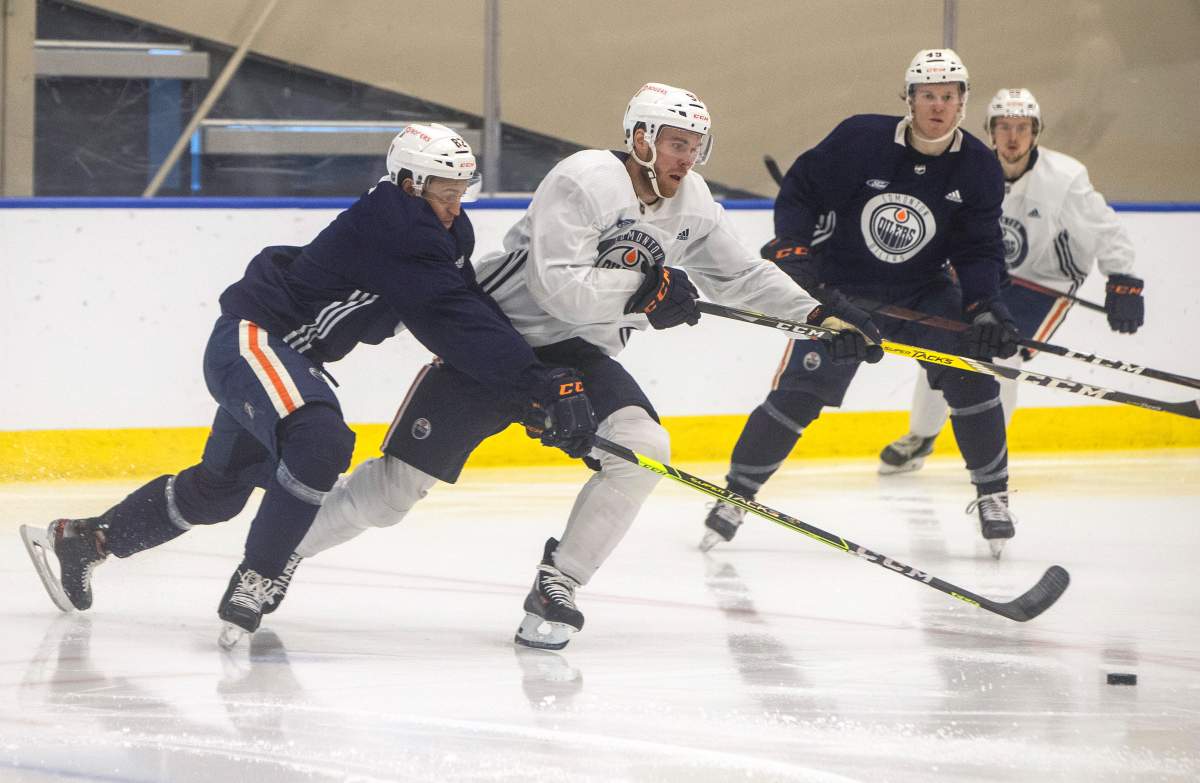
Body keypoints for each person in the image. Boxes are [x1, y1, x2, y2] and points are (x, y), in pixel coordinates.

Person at [285, 82, 881, 650]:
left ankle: (559, 583)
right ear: (641, 138)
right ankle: (277, 551)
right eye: (678, 142)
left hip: (578, 354)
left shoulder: (693, 201)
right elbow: (556, 289)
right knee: (391, 495)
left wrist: (820, 317)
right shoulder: (584, 179)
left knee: (643, 449)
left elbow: (743, 275)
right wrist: (648, 293)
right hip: (497, 344)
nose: (688, 157)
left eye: (696, 145)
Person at [19, 123, 598, 648]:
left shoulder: (432, 229)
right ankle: (260, 575)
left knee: (216, 493)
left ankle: (86, 540)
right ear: (406, 182)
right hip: (255, 342)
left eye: (461, 192)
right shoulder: (396, 226)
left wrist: (531, 386)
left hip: (284, 359)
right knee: (320, 438)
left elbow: (463, 309)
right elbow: (451, 316)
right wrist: (536, 382)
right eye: (444, 192)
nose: (454, 206)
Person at [701, 49, 1022, 558]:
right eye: (927, 96)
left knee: (971, 375)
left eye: (948, 96)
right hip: (842, 290)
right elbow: (802, 191)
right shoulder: (861, 140)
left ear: (963, 103)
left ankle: (993, 495)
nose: (937, 106)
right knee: (801, 392)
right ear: (909, 99)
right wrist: (793, 248)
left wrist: (986, 304)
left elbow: (978, 247)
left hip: (922, 291)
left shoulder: (979, 167)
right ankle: (735, 495)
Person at [878, 88, 1145, 473]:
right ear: (990, 131)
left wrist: (1123, 278)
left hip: (1047, 279)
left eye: (1022, 127)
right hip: (987, 274)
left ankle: (991, 454)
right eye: (1004, 127)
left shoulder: (1065, 178)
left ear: (1036, 132)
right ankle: (921, 437)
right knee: (946, 345)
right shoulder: (969, 169)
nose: (1013, 137)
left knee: (1004, 353)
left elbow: (1106, 229)